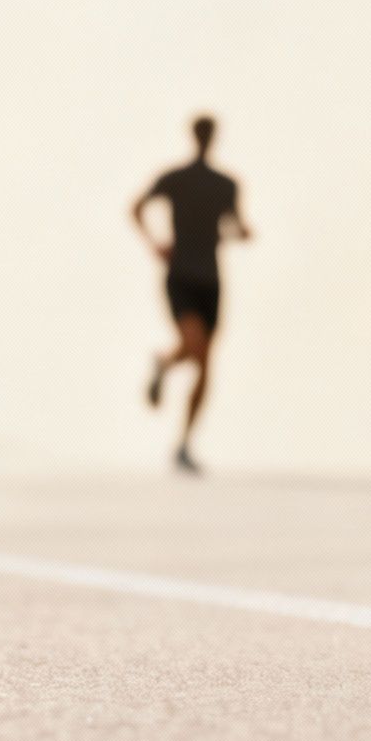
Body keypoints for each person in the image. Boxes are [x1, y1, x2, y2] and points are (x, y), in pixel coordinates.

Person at [132, 115, 251, 474]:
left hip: (210, 279)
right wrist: (154, 243)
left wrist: (241, 232)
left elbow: (235, 224)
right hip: (182, 274)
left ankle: (183, 439)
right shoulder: (177, 178)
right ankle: (181, 433)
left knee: (201, 358)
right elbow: (137, 207)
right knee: (197, 347)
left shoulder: (226, 184)